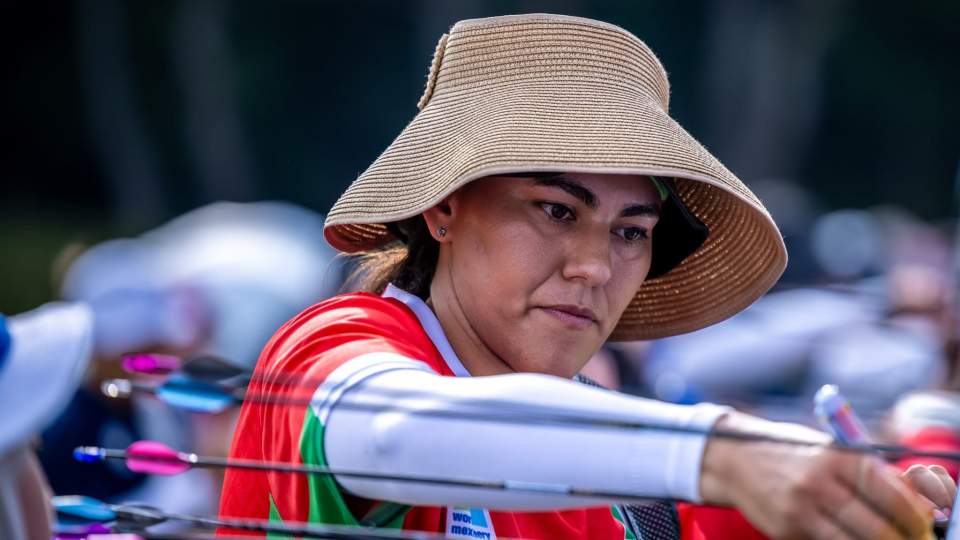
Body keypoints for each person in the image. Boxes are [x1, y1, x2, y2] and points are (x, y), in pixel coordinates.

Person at [219, 14, 955, 540]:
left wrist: (868, 504)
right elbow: (386, 429)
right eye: (555, 211)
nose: (596, 266)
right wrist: (722, 451)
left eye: (632, 232)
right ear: (443, 209)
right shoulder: (337, 343)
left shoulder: (637, 485)